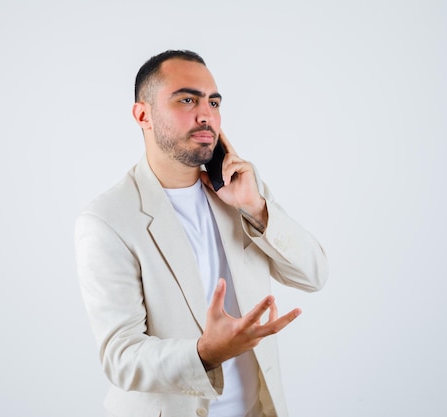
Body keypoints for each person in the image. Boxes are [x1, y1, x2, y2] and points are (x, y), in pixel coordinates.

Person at [74, 50, 328, 417]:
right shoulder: (106, 219)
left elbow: (314, 275)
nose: (206, 113)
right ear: (143, 114)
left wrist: (256, 209)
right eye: (187, 99)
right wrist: (205, 352)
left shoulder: (242, 187)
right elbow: (121, 357)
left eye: (214, 101)